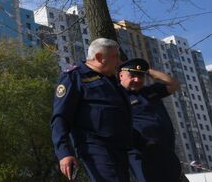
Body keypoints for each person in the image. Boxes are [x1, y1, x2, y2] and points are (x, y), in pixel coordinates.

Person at [51, 38, 132, 182]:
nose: (119, 62)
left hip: (120, 147)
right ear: (100, 57)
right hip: (96, 147)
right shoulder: (74, 77)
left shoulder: (111, 79)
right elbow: (60, 117)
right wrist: (64, 152)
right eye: (115, 57)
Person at [118, 58, 183, 182]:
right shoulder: (117, 96)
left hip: (165, 150)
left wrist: (148, 71)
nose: (137, 80)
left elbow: (174, 84)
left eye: (140, 76)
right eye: (132, 76)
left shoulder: (150, 91)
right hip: (141, 153)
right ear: (121, 75)